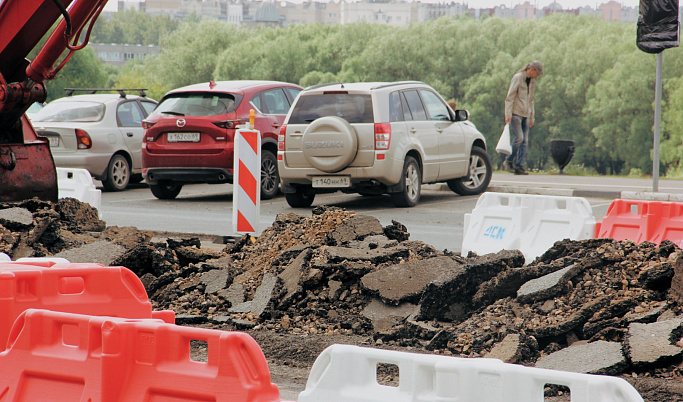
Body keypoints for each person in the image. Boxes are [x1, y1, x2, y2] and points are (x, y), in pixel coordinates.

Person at [503, 60, 543, 175]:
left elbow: (531, 100)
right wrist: (508, 114)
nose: (538, 76)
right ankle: (508, 160)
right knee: (519, 138)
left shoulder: (532, 82)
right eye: (537, 73)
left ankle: (519, 166)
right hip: (516, 113)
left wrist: (532, 116)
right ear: (531, 70)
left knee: (525, 141)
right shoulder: (518, 77)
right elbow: (510, 97)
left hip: (526, 114)